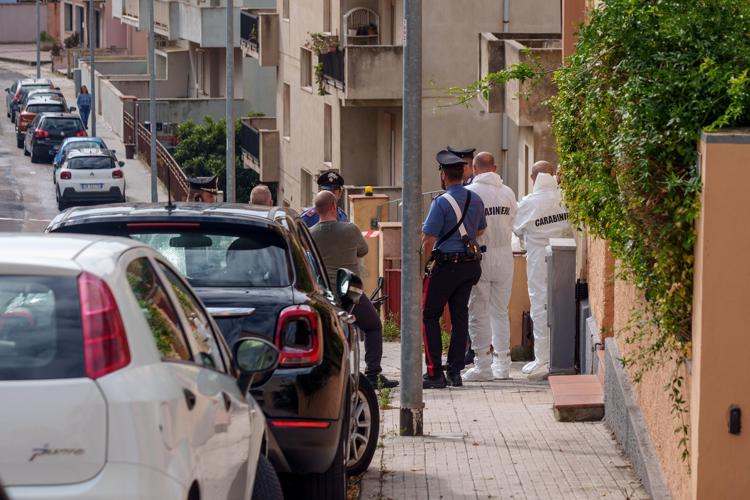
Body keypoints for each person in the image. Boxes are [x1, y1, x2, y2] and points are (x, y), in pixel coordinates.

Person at [310, 191, 398, 388]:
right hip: (350, 292)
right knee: (373, 326)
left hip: (324, 295)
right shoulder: (350, 229)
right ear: (334, 206)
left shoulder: (310, 234)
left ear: (316, 210)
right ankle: (373, 374)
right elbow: (363, 250)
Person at [422, 150, 486, 389]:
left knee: (429, 315)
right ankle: (456, 371)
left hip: (446, 265)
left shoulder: (441, 202)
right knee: (460, 317)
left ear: (443, 175)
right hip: (469, 265)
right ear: (462, 174)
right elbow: (480, 230)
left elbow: (428, 239)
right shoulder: (475, 199)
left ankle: (434, 372)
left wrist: (425, 268)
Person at [514, 161, 571, 381]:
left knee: (540, 306)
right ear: (554, 175)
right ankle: (558, 357)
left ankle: (543, 359)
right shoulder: (565, 198)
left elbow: (517, 229)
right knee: (562, 304)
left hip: (538, 259)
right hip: (565, 256)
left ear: (532, 178)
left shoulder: (529, 203)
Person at [463, 152, 517, 382]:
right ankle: (503, 365)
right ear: (494, 168)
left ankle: (483, 365)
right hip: (505, 254)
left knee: (478, 311)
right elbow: (513, 219)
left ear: (474, 169)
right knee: (500, 311)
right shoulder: (508, 192)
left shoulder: (471, 193)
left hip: (481, 256)